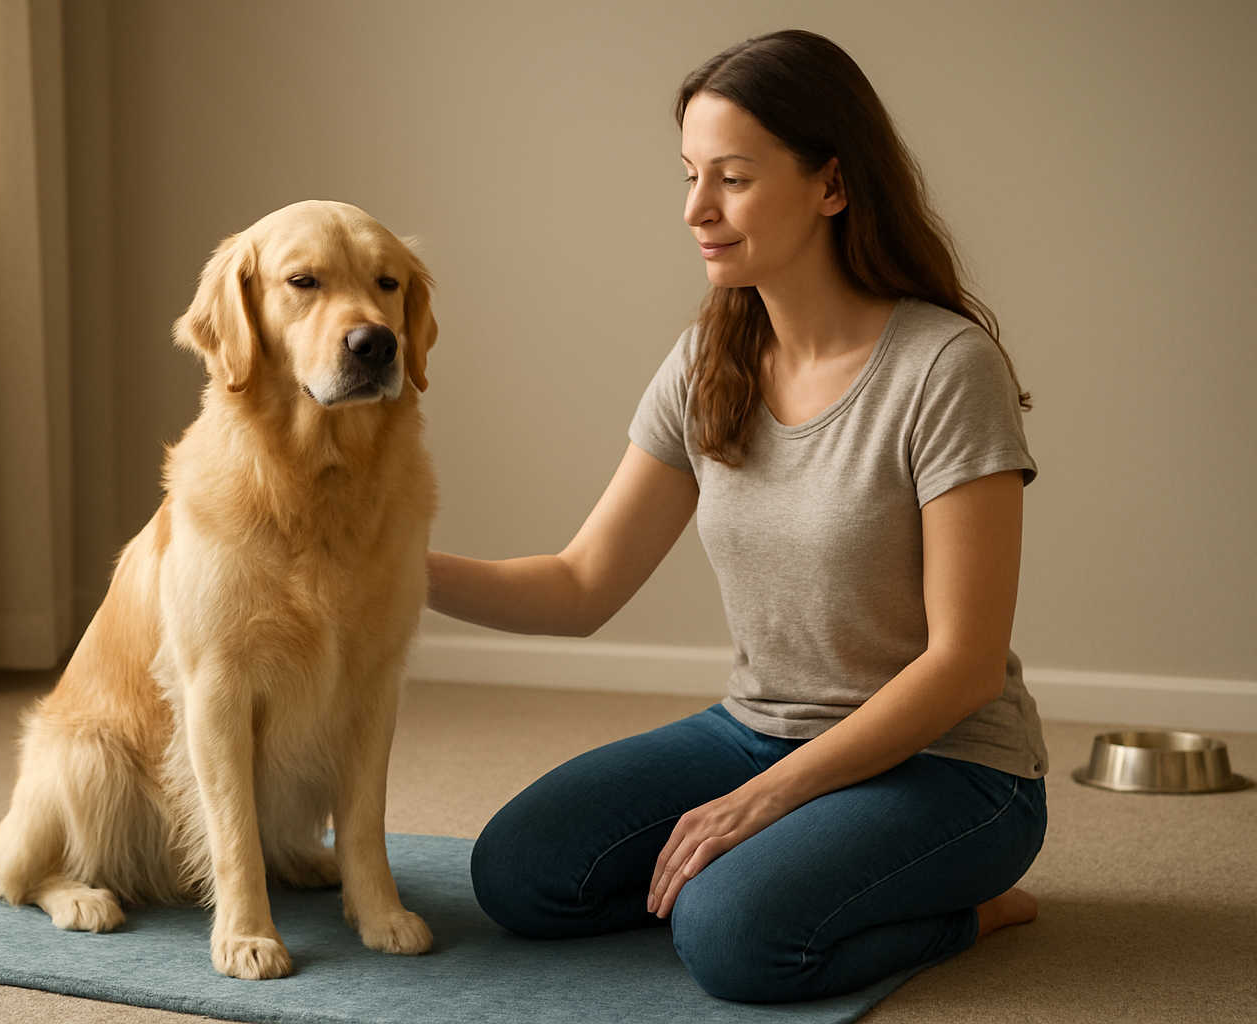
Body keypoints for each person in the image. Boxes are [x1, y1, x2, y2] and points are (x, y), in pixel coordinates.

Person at [425, 30, 1049, 1004]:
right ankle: (781, 869)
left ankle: (974, 910)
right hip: (756, 726)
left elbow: (964, 663)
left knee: (736, 937)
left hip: (950, 765)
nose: (696, 211)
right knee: (518, 871)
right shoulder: (705, 360)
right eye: (689, 177)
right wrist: (386, 562)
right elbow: (581, 584)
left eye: (733, 179)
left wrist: (763, 801)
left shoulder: (943, 367)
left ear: (831, 185)